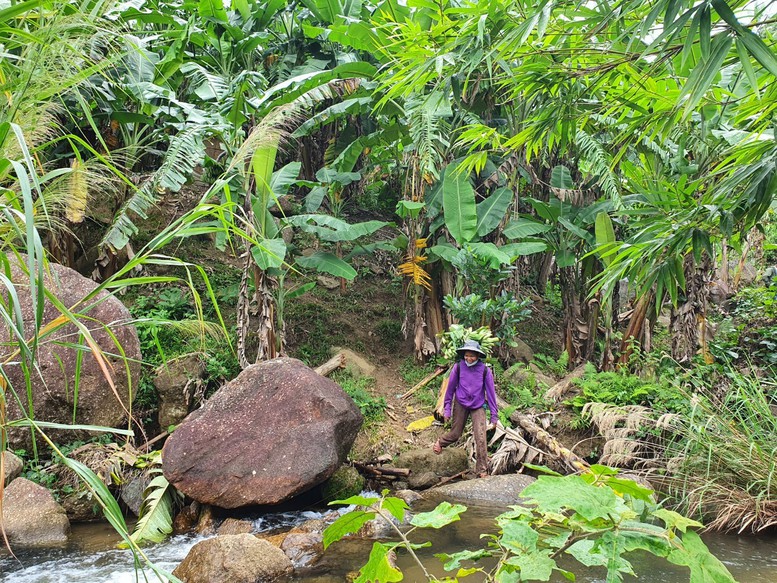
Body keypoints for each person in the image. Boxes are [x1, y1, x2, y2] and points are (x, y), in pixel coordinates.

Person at [432, 339, 498, 478]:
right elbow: (449, 390)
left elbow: (491, 394)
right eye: (467, 355)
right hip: (461, 402)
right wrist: (447, 409)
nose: (469, 358)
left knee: (480, 436)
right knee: (455, 433)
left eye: (472, 356)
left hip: (478, 405)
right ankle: (441, 442)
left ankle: (482, 469)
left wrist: (494, 415)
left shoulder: (485, 371)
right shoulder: (458, 367)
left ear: (478, 356)